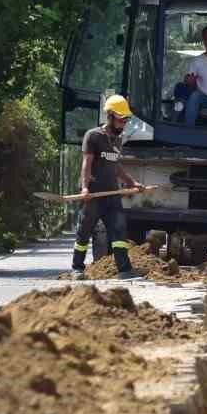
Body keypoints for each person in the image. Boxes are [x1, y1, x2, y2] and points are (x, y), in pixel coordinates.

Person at [71, 94, 144, 281]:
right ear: (110, 116)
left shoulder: (118, 140)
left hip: (112, 195)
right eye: (120, 120)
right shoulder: (93, 136)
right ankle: (77, 268)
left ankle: (125, 270)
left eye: (125, 120)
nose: (123, 124)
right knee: (84, 232)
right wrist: (85, 188)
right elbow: (86, 163)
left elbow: (116, 165)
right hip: (94, 195)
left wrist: (131, 182)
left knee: (119, 231)